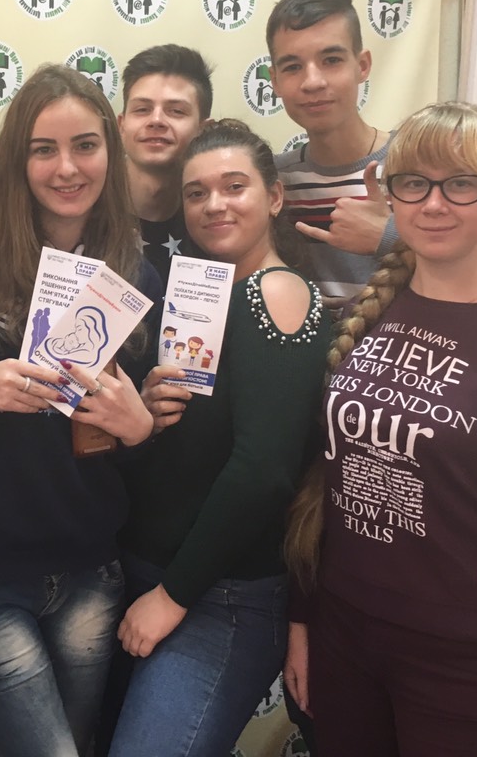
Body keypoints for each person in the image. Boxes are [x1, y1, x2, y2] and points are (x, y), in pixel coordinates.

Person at [283, 102, 477, 757]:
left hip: (463, 662)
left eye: (462, 184)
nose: (434, 204)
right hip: (345, 636)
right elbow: (326, 483)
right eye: (415, 183)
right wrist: (303, 618)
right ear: (389, 193)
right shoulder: (372, 311)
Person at [0, 65, 160, 757]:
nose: (67, 168)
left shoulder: (135, 275)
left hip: (90, 570)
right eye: (43, 149)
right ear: (17, 160)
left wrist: (141, 429)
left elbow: (145, 454)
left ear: (110, 152)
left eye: (85, 145)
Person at [104, 120, 330, 757]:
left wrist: (172, 596)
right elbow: (192, 455)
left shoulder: (275, 292)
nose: (214, 205)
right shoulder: (201, 298)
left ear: (274, 198)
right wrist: (149, 418)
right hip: (147, 577)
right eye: (197, 193)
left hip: (217, 597)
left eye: (234, 187)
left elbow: (264, 470)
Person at [266, 0, 477, 327]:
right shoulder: (273, 184)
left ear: (362, 66)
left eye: (331, 60)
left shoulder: (428, 166)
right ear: (274, 81)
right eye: (292, 67)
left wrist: (393, 239)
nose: (312, 82)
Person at [116, 45, 213, 282]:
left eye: (176, 111)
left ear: (203, 130)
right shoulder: (84, 211)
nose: (156, 120)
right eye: (142, 109)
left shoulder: (217, 218)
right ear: (121, 125)